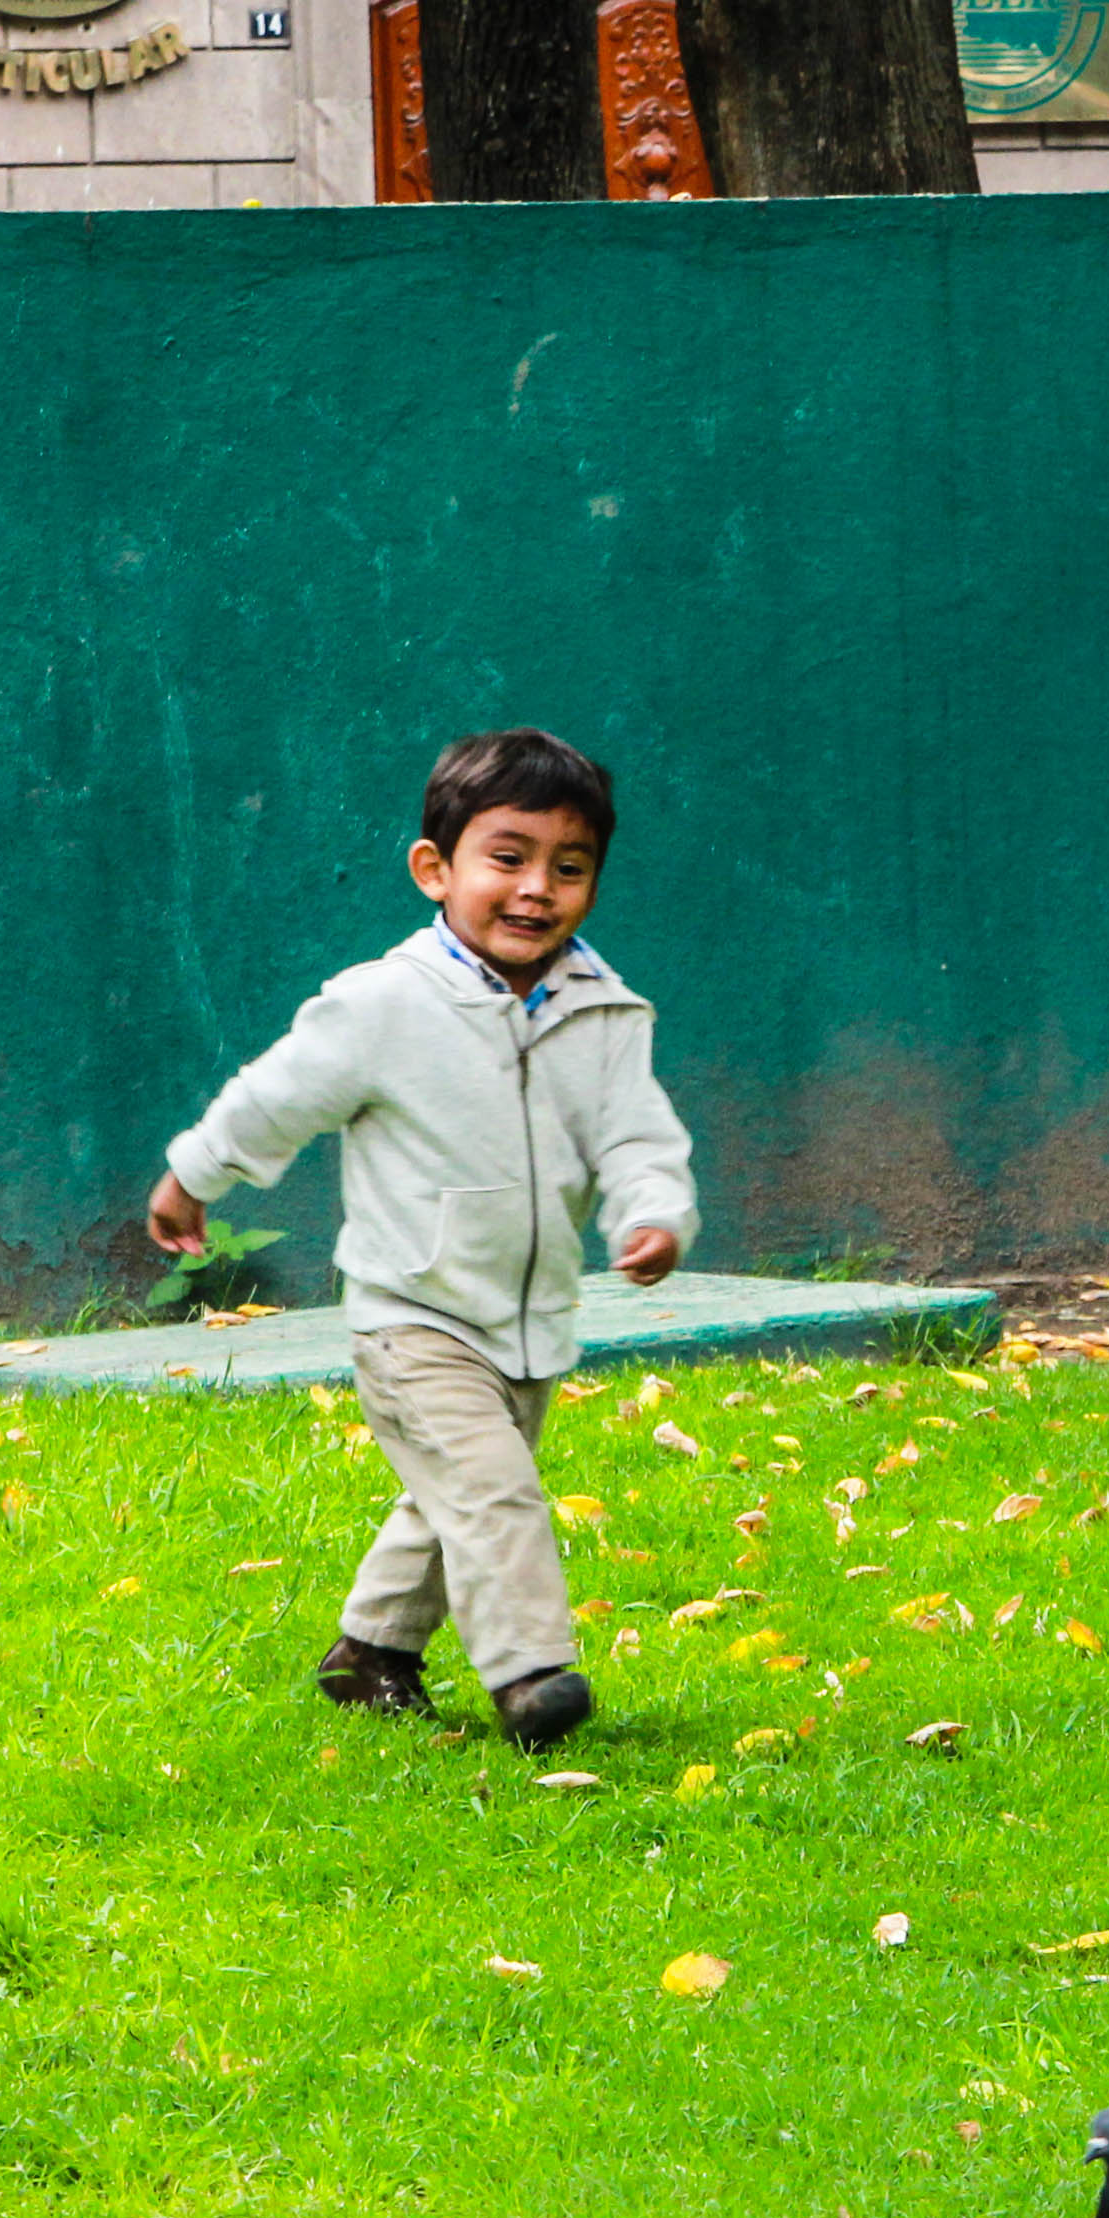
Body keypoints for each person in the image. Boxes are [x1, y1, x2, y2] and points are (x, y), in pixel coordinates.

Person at [147, 729, 696, 1751]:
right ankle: (531, 1671)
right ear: (434, 869)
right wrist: (194, 1174)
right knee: (492, 1491)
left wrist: (653, 1210)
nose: (537, 888)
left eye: (568, 868)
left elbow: (636, 1133)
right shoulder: (382, 1006)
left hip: (530, 1317)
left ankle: (372, 1657)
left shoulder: (604, 1011)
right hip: (413, 1312)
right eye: (508, 857)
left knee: (454, 1498)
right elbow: (274, 1100)